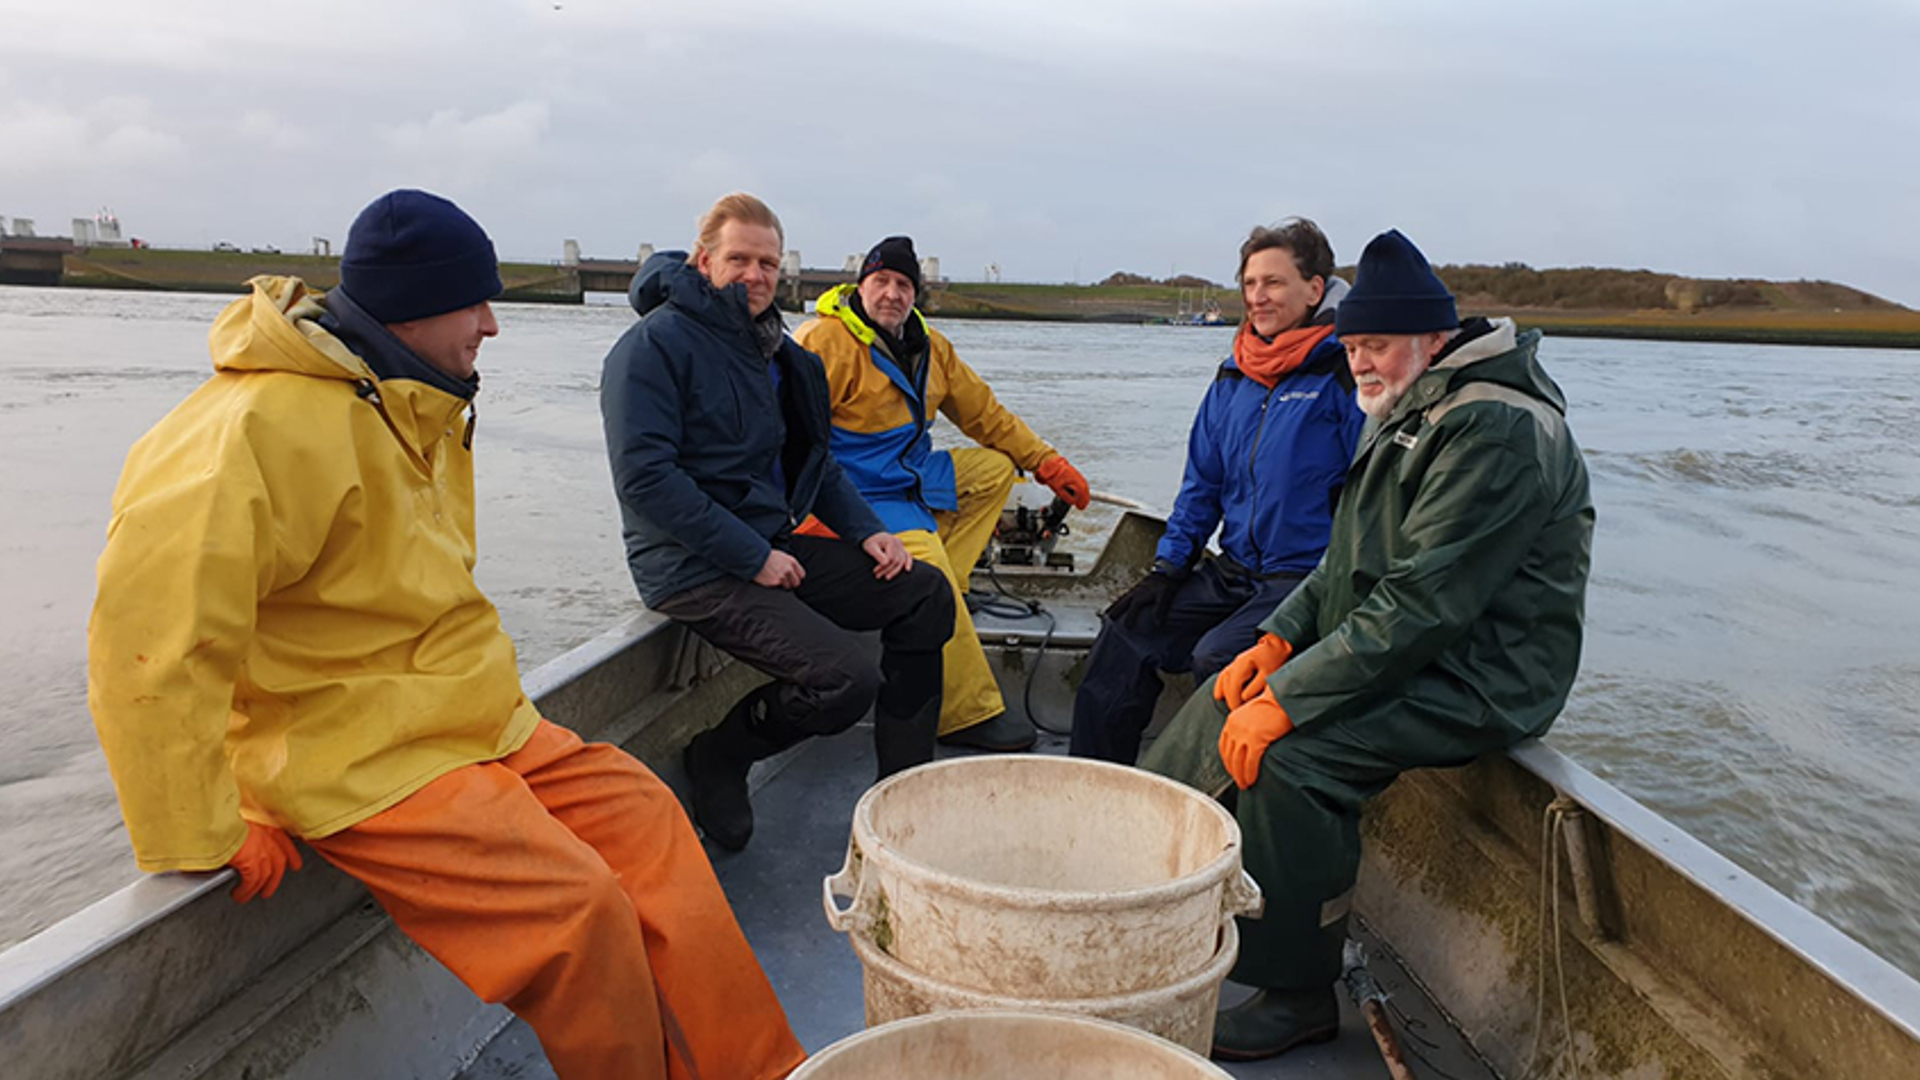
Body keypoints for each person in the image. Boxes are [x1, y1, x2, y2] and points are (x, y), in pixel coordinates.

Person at [87, 189, 805, 1080]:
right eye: (475, 303)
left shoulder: (413, 400)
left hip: (473, 721)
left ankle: (766, 1071)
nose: (493, 326)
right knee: (578, 912)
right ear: (413, 307)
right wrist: (201, 832)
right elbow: (150, 646)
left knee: (648, 816)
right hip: (353, 754)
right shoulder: (244, 433)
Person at [1138, 228, 1595, 1061]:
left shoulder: (1495, 429)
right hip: (1404, 644)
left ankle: (1298, 990)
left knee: (1292, 761)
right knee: (1221, 701)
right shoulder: (1411, 402)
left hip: (1483, 673)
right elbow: (1347, 561)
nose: (1361, 364)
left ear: (1433, 336)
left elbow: (1424, 605)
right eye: (1352, 347)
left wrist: (1291, 702)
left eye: (1375, 346)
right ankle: (1148, 889)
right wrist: (1275, 646)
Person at [601, 194, 954, 852]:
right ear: (705, 261)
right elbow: (646, 481)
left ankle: (902, 799)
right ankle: (721, 755)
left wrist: (865, 529)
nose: (755, 274)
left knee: (925, 593)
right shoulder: (651, 349)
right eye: (739, 259)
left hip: (772, 546)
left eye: (767, 262)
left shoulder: (778, 354)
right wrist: (751, 556)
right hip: (691, 567)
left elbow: (813, 464)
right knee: (846, 680)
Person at [1068, 219, 1364, 764]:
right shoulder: (1234, 377)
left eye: (1273, 283)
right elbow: (1201, 484)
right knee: (1127, 629)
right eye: (1250, 284)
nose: (1258, 297)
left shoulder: (1348, 374)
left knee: (1218, 659)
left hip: (1308, 582)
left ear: (1315, 289)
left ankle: (1208, 815)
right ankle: (1093, 779)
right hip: (1236, 573)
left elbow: (1374, 501)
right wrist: (1168, 569)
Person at [794, 235, 1091, 752]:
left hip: (908, 475)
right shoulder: (821, 343)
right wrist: (808, 512)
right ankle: (964, 712)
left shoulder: (932, 347)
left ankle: (947, 583)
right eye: (881, 280)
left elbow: (985, 415)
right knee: (926, 572)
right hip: (856, 496)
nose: (891, 293)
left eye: (903, 284)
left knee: (996, 469)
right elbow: (789, 440)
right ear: (860, 285)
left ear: (916, 295)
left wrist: (1044, 460)